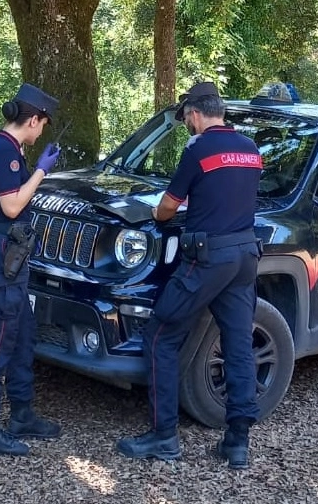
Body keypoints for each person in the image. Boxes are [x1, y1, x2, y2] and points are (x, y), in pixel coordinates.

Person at [116, 82, 263, 469]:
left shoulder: (198, 148)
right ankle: (237, 442)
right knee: (237, 344)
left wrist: (156, 215)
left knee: (160, 333)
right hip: (245, 255)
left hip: (208, 259)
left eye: (186, 119)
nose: (186, 125)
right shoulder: (250, 150)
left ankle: (163, 436)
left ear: (195, 113)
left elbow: (168, 206)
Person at [0, 83, 63, 456]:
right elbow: (11, 207)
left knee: (23, 333)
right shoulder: (5, 152)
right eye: (43, 125)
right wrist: (39, 172)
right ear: (34, 119)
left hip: (5, 252)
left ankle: (22, 413)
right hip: (3, 253)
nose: (41, 133)